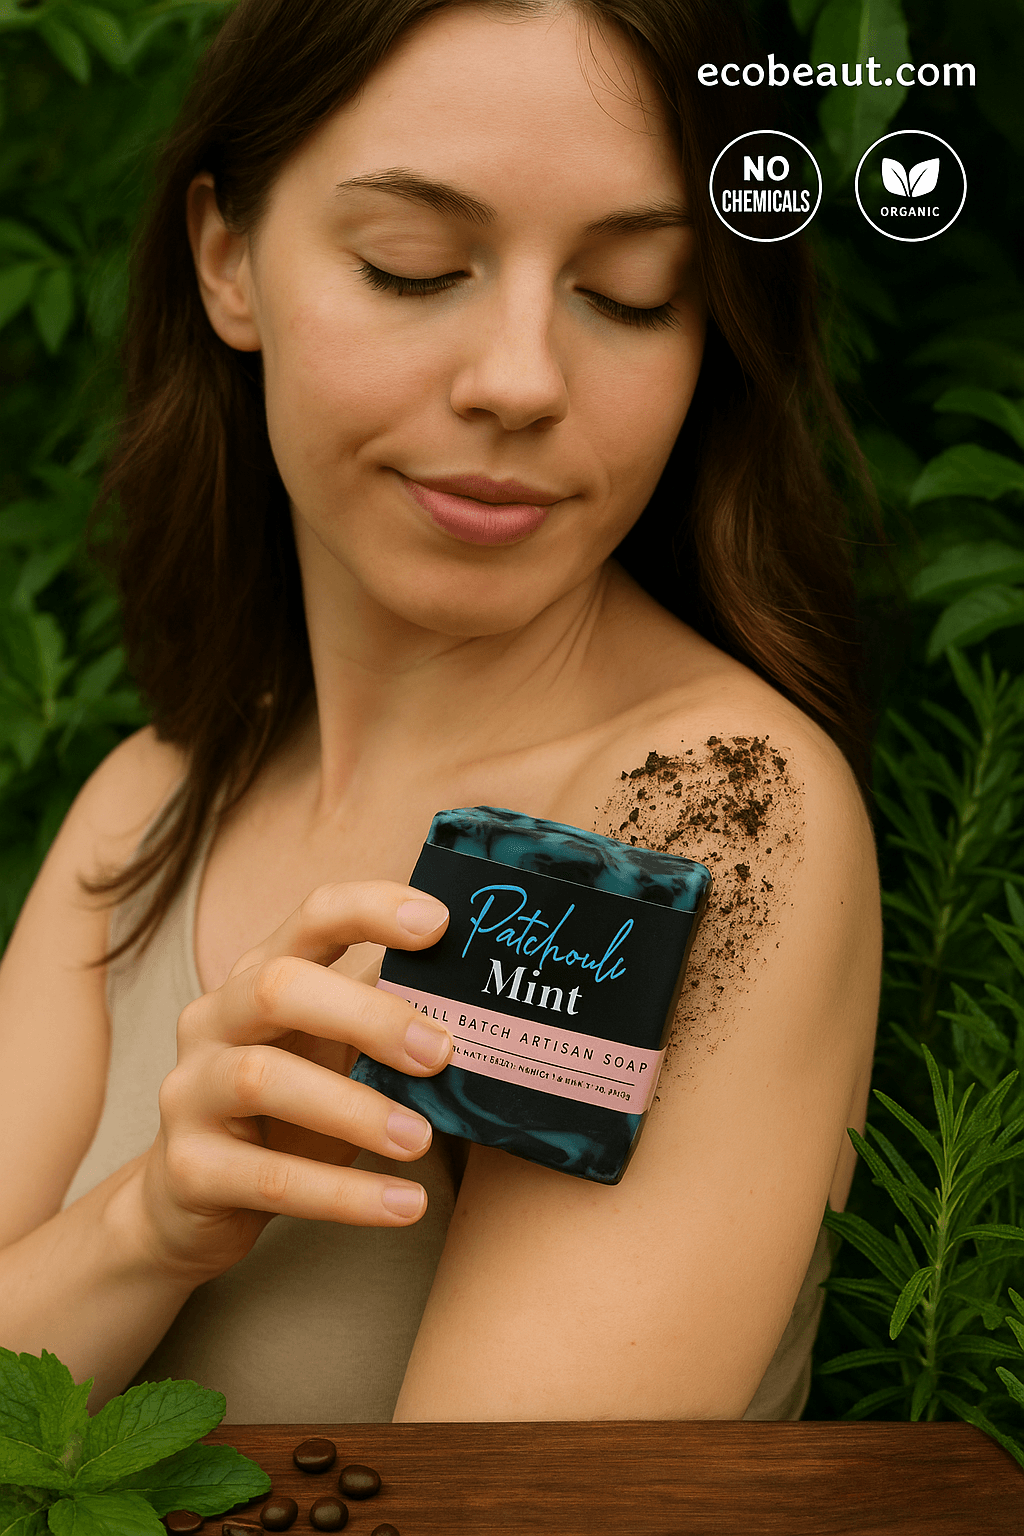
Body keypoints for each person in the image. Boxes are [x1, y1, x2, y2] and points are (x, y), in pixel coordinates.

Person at [0, 0, 881, 1423]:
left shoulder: (704, 801)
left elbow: (508, 1513)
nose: (522, 381)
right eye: (414, 268)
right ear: (227, 258)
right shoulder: (148, 804)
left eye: (635, 290)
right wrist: (145, 1228)